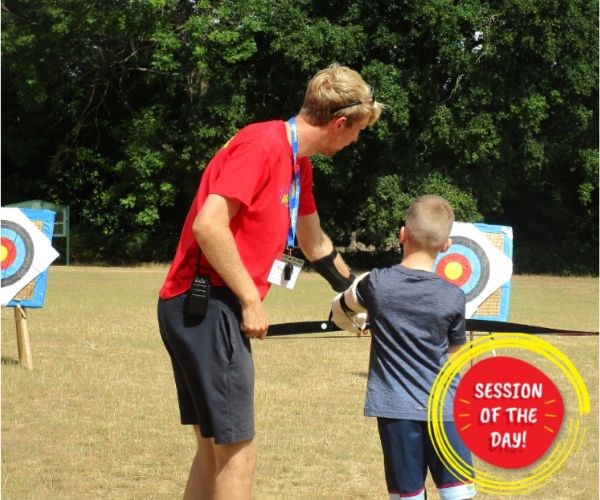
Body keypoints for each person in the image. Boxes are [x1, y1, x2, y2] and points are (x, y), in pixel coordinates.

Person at [157, 63, 383, 499]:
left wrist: (359, 297)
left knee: (213, 448)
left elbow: (314, 242)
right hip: (206, 304)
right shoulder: (263, 144)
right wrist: (249, 298)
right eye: (357, 131)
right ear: (339, 124)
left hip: (201, 306)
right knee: (238, 452)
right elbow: (210, 226)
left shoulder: (298, 163)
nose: (356, 141)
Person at [331, 194, 476, 500]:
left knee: (408, 495)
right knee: (458, 494)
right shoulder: (454, 296)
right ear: (447, 245)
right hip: (446, 412)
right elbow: (454, 357)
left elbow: (341, 309)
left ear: (402, 234)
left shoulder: (376, 283)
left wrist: (362, 321)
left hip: (396, 413)